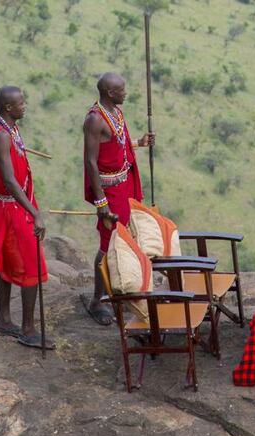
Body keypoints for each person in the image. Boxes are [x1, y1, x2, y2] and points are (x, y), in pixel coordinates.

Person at [0, 85, 54, 349]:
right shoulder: (1, 135)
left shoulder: (4, 125)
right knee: (30, 264)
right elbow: (10, 181)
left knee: (8, 259)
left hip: (10, 205)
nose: (25, 106)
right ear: (8, 108)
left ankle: (3, 319)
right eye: (21, 103)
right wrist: (35, 213)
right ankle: (28, 329)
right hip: (11, 207)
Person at [82, 72, 155, 325]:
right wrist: (101, 204)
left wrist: (139, 143)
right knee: (108, 243)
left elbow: (117, 145)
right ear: (110, 93)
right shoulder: (94, 119)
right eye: (122, 89)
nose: (126, 92)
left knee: (122, 239)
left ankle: (116, 293)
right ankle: (96, 302)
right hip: (109, 191)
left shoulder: (115, 112)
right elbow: (91, 162)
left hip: (122, 185)